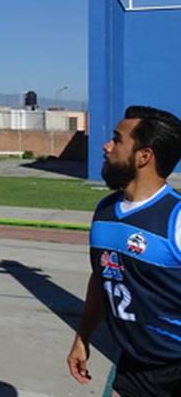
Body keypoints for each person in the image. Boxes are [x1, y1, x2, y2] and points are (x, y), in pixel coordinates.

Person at [67, 106, 181, 397]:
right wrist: (83, 335)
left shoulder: (176, 218)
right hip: (136, 366)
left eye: (117, 140)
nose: (106, 146)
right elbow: (103, 277)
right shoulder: (104, 211)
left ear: (144, 156)